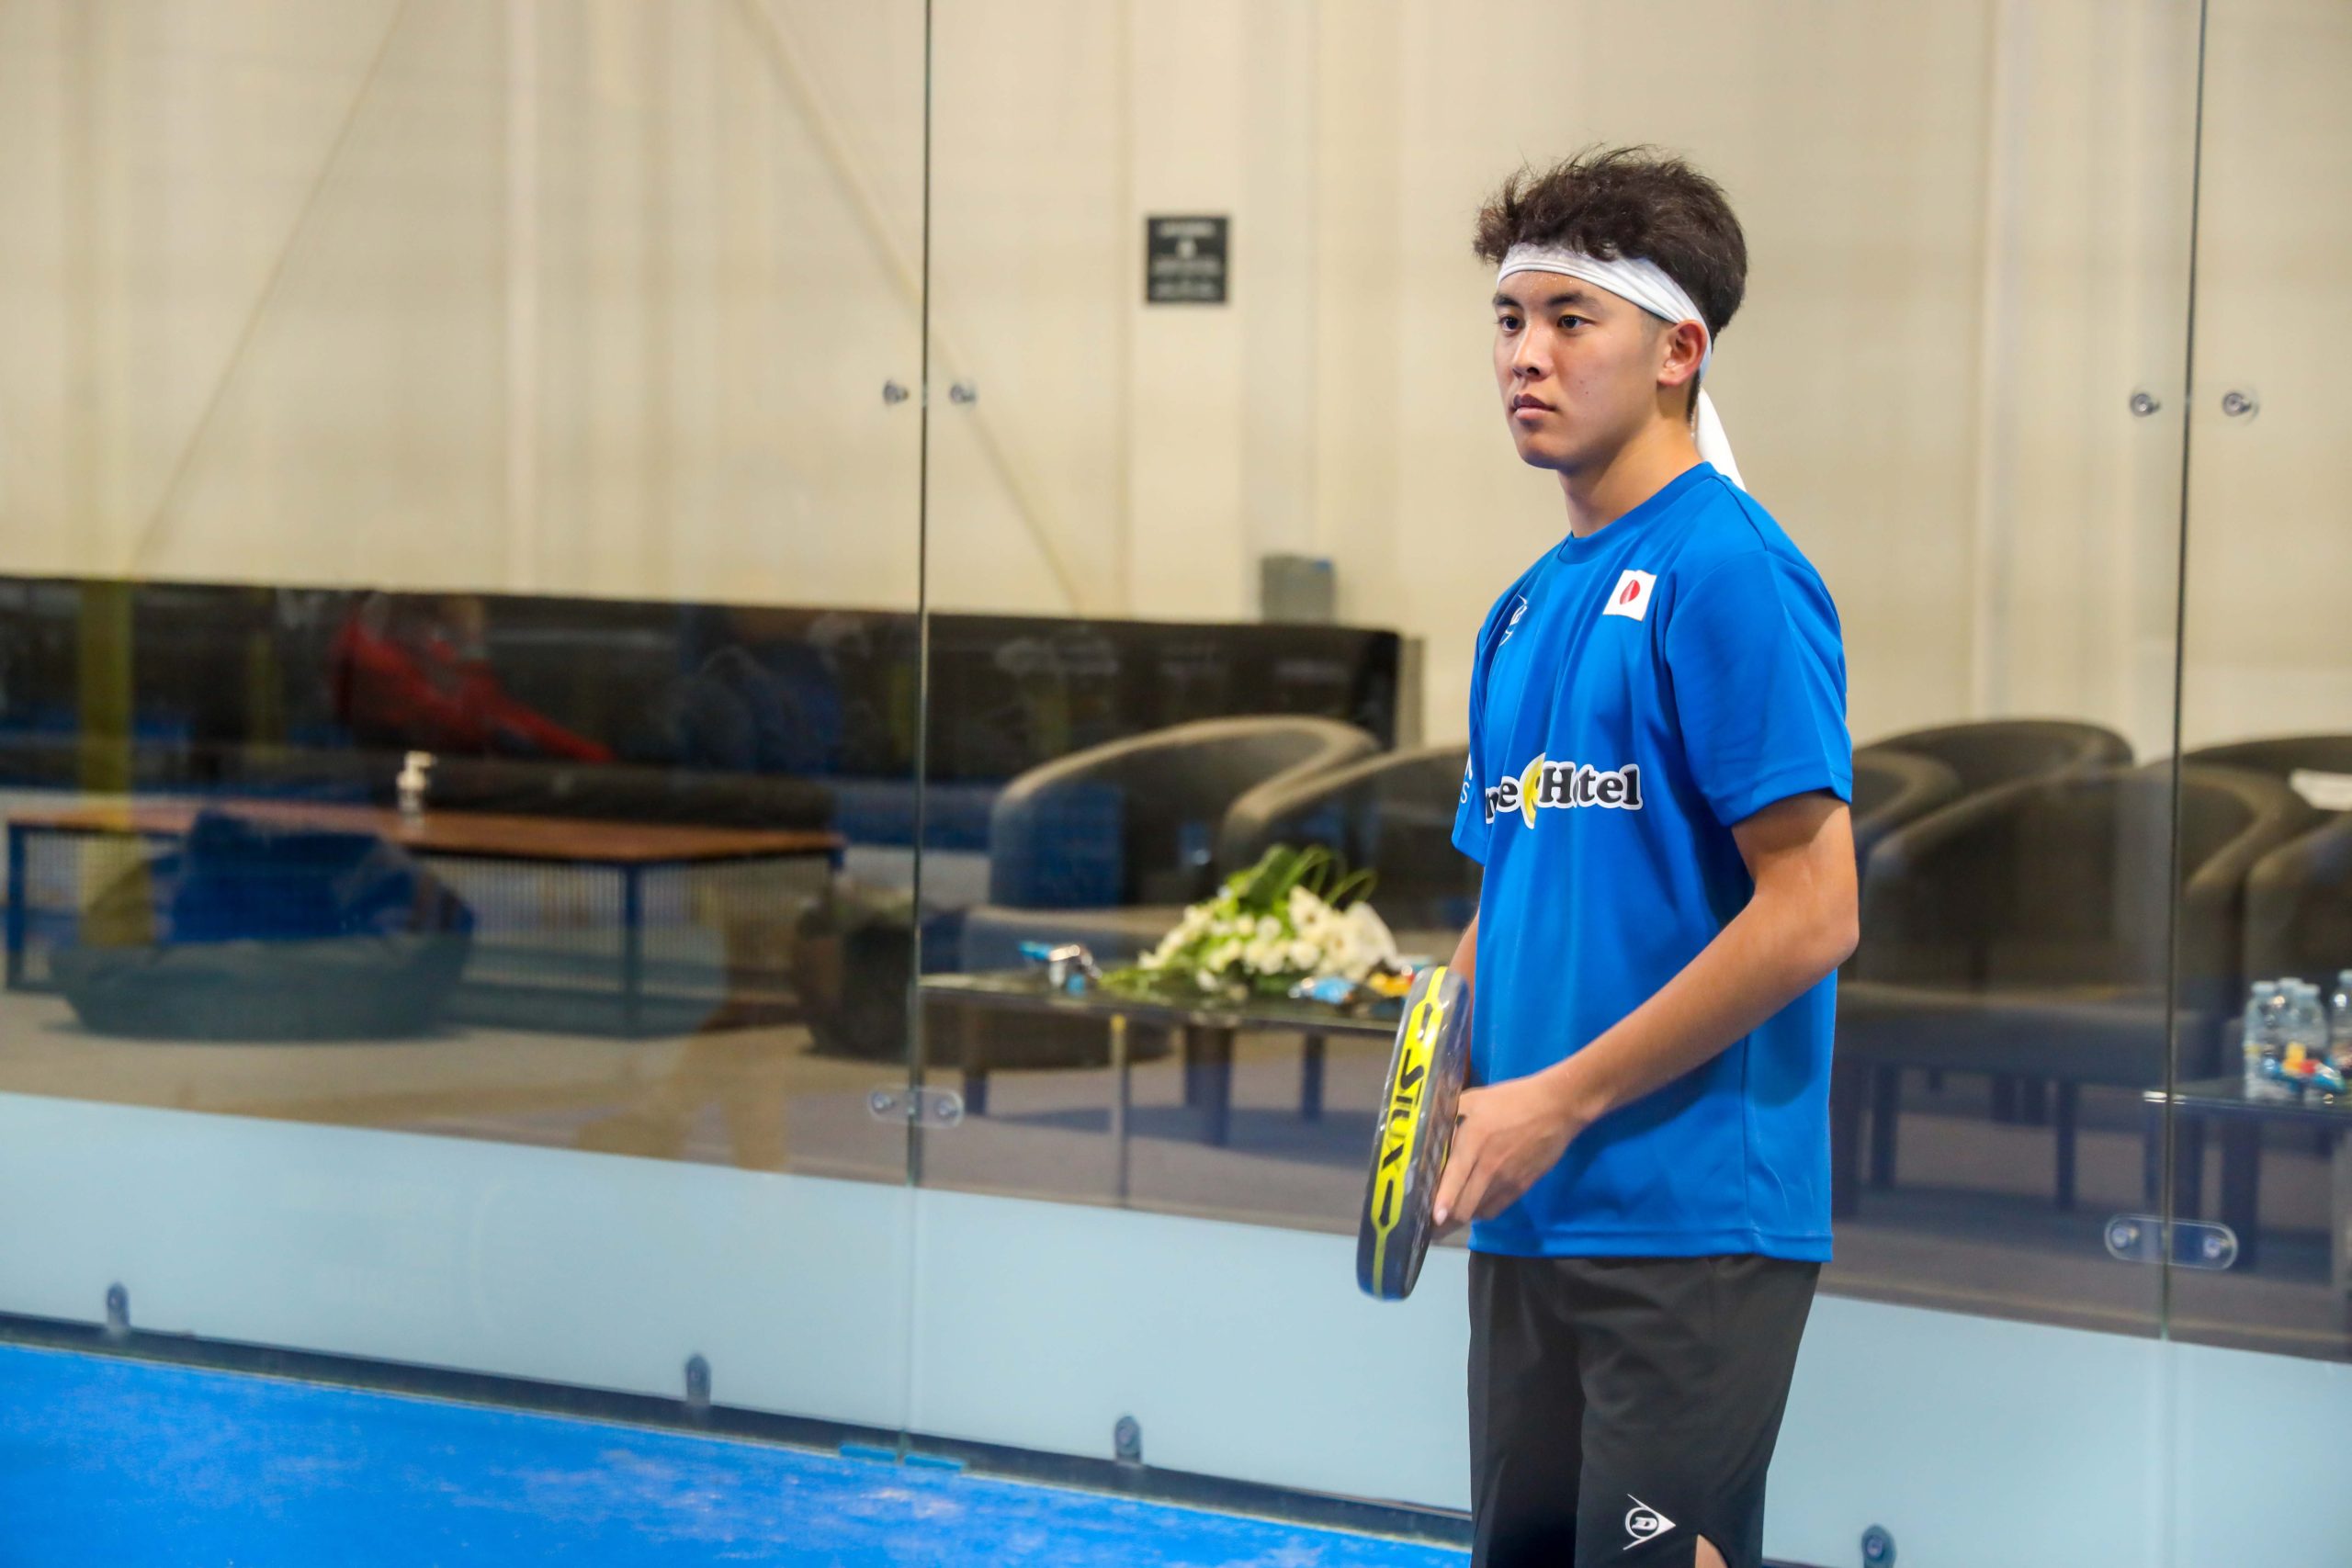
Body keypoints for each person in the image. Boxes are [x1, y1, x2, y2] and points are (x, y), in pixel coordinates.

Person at [1432, 147, 1858, 1568]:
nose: (1526, 356)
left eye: (1572, 320)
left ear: (1680, 351)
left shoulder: (1730, 573)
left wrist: (1557, 1099)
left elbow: (1815, 912)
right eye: (1510, 320)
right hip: (1530, 1213)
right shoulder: (1518, 610)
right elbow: (1511, 884)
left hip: (1691, 1226)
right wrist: (1441, 1077)